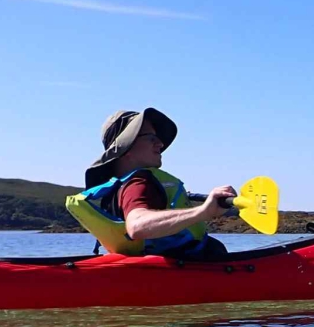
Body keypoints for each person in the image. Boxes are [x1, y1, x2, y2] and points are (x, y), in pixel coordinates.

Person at [68, 107, 233, 259]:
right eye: (151, 138)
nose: (160, 144)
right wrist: (203, 212)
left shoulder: (121, 186)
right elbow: (137, 226)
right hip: (181, 275)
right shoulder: (138, 183)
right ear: (127, 147)